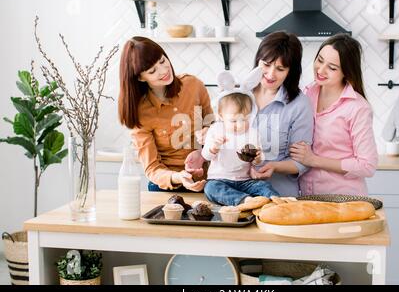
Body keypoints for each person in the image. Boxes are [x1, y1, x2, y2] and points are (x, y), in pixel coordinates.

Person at [186, 31, 314, 197]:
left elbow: (301, 162)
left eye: (280, 69)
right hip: (231, 190)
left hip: (277, 194)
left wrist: (273, 166)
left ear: (291, 71)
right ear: (257, 61)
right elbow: (221, 134)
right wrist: (204, 148)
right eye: (266, 65)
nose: (270, 74)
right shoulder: (237, 94)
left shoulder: (299, 105)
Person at [118, 36, 213, 192]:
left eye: (162, 61)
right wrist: (179, 176)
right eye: (152, 71)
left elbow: (214, 125)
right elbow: (152, 168)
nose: (163, 71)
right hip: (166, 187)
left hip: (207, 182)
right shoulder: (141, 113)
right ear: (140, 77)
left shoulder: (194, 86)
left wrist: (209, 133)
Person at [289, 33, 378, 196]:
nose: (321, 70)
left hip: (344, 200)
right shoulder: (306, 95)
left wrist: (313, 160)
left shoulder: (357, 108)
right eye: (320, 60)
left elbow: (367, 165)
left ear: (346, 71)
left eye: (332, 67)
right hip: (307, 198)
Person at [202, 68, 280, 206]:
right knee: (210, 189)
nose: (239, 125)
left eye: (244, 120)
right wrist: (214, 147)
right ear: (220, 116)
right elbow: (206, 156)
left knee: (263, 186)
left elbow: (258, 160)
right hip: (220, 179)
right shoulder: (216, 129)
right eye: (233, 121)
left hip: (245, 181)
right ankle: (245, 200)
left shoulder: (253, 132)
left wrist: (258, 158)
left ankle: (275, 200)